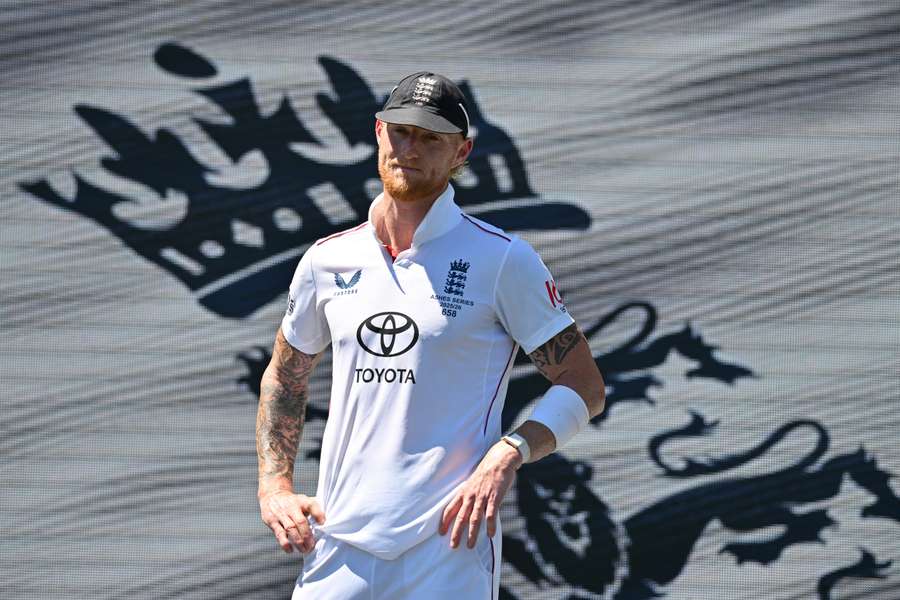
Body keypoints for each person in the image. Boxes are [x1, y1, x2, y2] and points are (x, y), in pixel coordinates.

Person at [256, 71, 605, 599]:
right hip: (335, 540)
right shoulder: (327, 260)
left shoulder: (502, 259)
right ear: (379, 132)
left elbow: (584, 385)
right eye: (401, 131)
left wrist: (509, 452)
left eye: (431, 138)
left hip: (450, 547)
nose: (410, 149)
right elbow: (285, 377)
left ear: (462, 152)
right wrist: (274, 486)